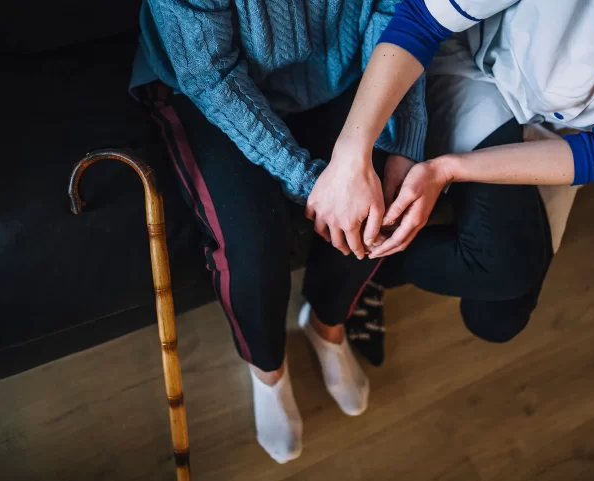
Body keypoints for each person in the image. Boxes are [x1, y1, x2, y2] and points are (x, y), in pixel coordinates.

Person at [130, 0, 429, 464]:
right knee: (253, 249)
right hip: (209, 83)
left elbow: (399, 11)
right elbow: (210, 76)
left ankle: (327, 325)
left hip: (342, 68)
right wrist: (314, 184)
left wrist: (400, 139)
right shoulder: (207, 73)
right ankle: (267, 368)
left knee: (381, 205)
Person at [310, 0, 594, 364]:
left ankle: (368, 272)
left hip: (569, 132)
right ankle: (350, 281)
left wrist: (448, 169)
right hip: (477, 66)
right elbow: (420, 19)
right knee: (504, 266)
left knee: (498, 321)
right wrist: (350, 156)